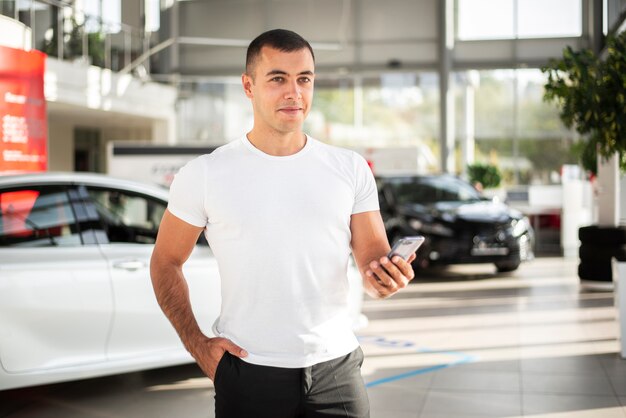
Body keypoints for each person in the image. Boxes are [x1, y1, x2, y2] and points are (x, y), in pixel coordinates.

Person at [150, 28, 416, 418]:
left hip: (336, 369)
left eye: (304, 79)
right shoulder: (205, 174)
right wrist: (198, 345)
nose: (294, 92)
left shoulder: (349, 168)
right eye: (278, 79)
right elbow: (165, 261)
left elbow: (372, 266)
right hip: (248, 370)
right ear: (248, 86)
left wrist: (388, 277)